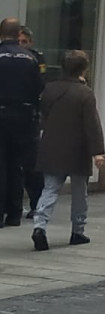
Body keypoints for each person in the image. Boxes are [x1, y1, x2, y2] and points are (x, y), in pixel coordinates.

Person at [30, 50, 105, 250]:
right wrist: (97, 151)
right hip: (77, 148)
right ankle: (77, 231)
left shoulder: (49, 89)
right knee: (80, 192)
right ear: (84, 69)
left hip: (52, 145)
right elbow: (92, 124)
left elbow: (43, 115)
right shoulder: (85, 93)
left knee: (50, 189)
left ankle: (40, 225)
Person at [0, 17, 42, 226]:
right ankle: (15, 213)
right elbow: (38, 89)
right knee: (16, 164)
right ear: (18, 35)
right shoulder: (30, 58)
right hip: (24, 116)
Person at [17, 25, 45, 218]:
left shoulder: (36, 58)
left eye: (24, 42)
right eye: (18, 41)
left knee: (31, 164)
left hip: (29, 117)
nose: (21, 45)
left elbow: (41, 85)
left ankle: (37, 203)